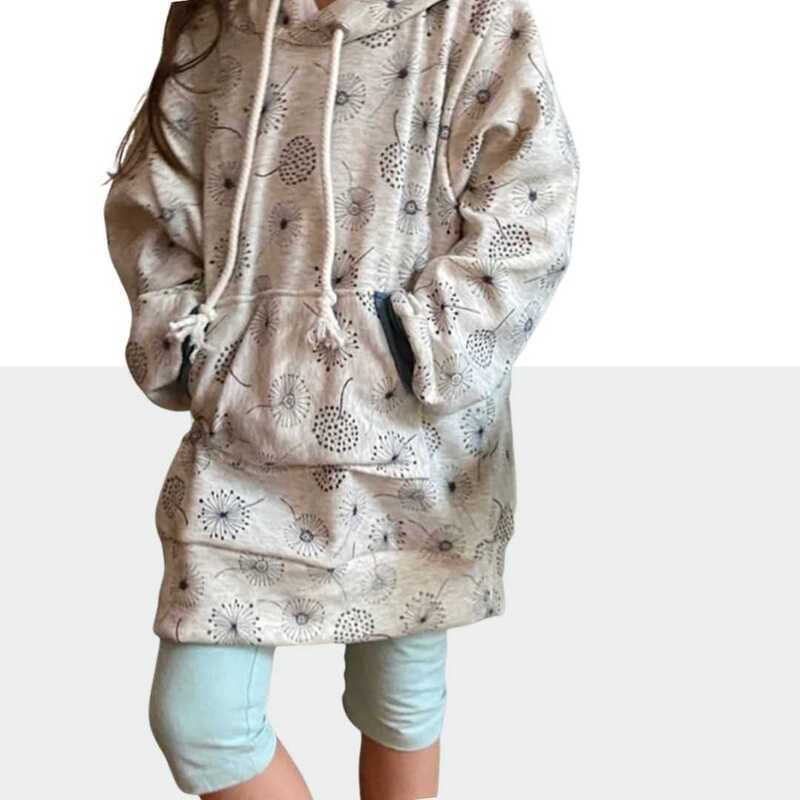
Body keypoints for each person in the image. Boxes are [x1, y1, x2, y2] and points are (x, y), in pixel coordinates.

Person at [102, 0, 580, 797]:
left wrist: (414, 343)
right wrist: (187, 344)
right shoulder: (215, 22)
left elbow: (531, 203)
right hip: (246, 436)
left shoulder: (473, 20)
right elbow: (153, 202)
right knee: (203, 723)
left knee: (398, 701)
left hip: (412, 441)